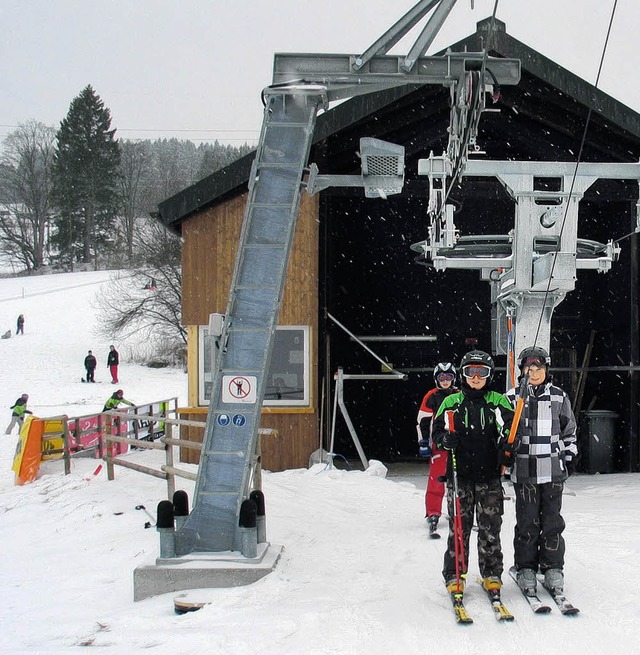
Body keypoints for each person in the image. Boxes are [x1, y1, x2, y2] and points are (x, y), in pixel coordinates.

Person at [432, 350, 514, 596]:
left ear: (489, 376)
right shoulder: (451, 402)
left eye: (482, 372)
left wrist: (506, 447)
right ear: (463, 374)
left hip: (489, 475)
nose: (476, 378)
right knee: (459, 526)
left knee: (490, 526)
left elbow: (509, 427)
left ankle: (491, 573)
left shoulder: (497, 401)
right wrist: (446, 439)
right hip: (460, 475)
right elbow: (436, 434)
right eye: (470, 372)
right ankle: (455, 574)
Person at [505, 346, 578, 595]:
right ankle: (525, 567)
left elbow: (569, 430)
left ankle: (552, 567)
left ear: (547, 370)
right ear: (522, 371)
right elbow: (503, 433)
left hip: (553, 471)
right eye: (529, 368)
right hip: (524, 471)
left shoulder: (559, 397)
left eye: (539, 367)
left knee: (552, 522)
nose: (534, 372)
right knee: (527, 522)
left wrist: (569, 455)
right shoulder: (512, 398)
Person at [416, 362, 458, 537]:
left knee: (460, 479)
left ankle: (461, 511)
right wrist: (423, 442)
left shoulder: (460, 395)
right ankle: (433, 512)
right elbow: (423, 421)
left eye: (449, 377)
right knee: (437, 479)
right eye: (442, 378)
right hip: (439, 444)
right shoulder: (431, 396)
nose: (446, 381)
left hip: (459, 444)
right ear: (437, 379)